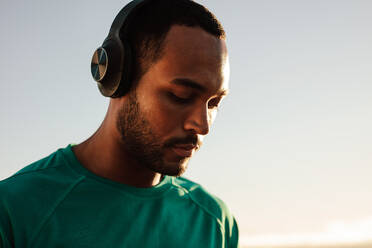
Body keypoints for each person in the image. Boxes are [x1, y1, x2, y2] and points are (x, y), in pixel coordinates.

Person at [0, 0, 239, 247]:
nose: (202, 125)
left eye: (213, 103)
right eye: (181, 96)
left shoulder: (216, 224)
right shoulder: (13, 211)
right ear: (116, 78)